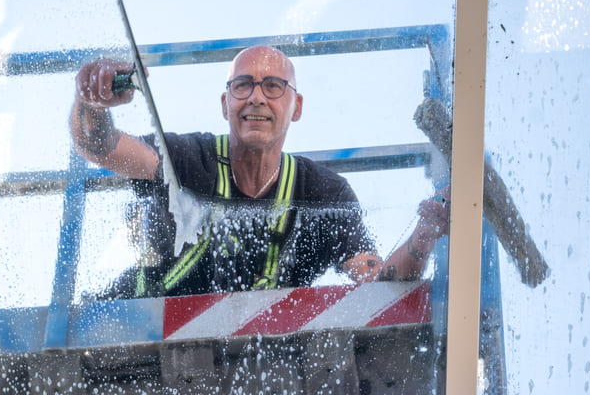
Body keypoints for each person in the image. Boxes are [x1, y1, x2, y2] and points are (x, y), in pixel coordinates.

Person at [70, 44, 449, 296]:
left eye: (272, 86)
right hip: (137, 331)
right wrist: (91, 103)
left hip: (259, 363)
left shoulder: (323, 194)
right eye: (243, 85)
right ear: (225, 104)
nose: (256, 97)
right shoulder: (187, 160)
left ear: (296, 106)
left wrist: (424, 236)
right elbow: (100, 147)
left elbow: (377, 283)